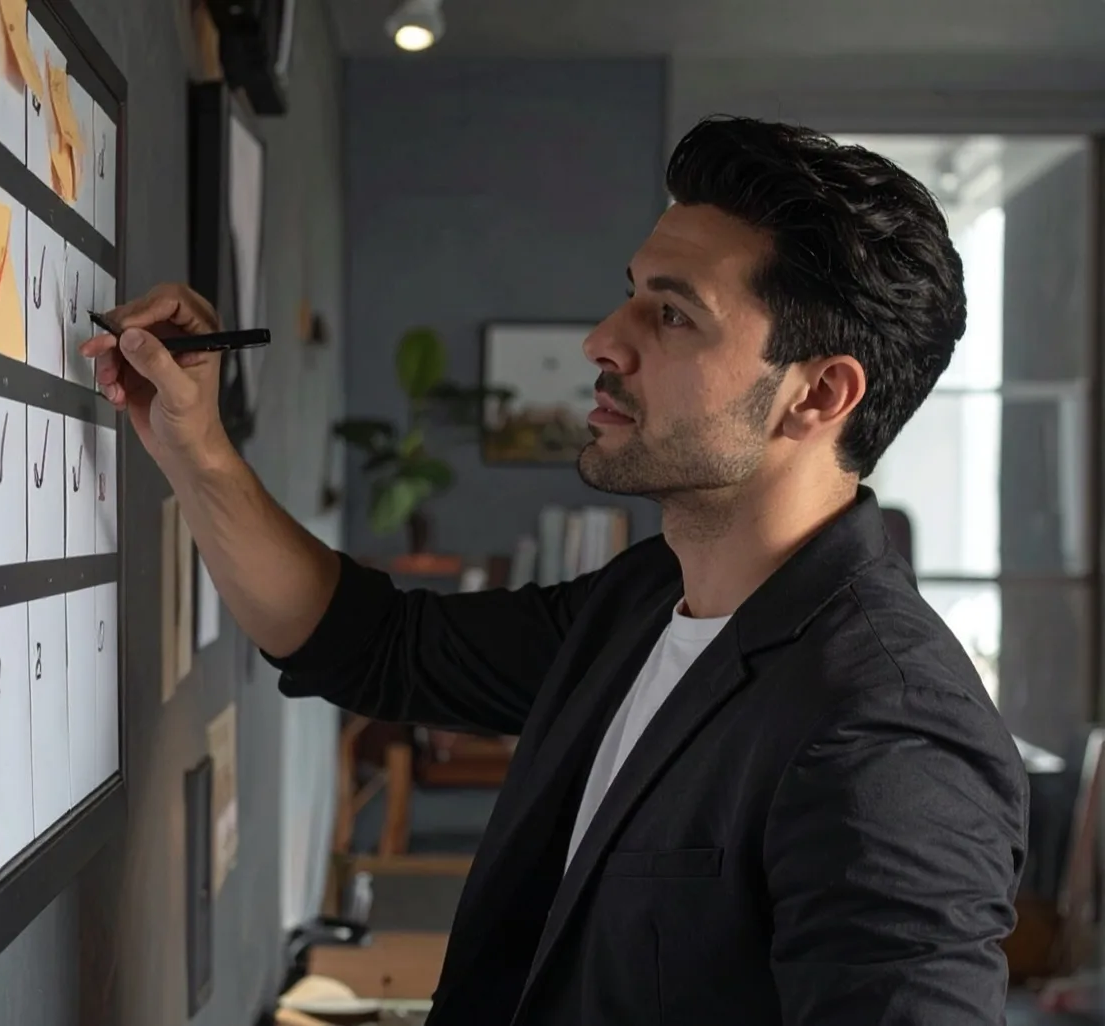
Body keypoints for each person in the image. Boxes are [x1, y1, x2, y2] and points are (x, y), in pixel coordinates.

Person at [82, 116, 1027, 1025]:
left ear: (818, 393)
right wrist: (194, 447)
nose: (602, 341)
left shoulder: (891, 733)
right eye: (632, 292)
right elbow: (371, 647)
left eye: (672, 314)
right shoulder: (648, 599)